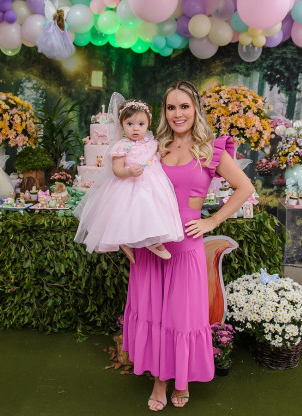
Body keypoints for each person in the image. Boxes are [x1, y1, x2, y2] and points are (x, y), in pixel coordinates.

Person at [122, 81, 255, 411]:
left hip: (186, 248)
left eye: (184, 106)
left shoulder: (210, 150)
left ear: (196, 109)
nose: (177, 113)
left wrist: (213, 221)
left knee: (181, 318)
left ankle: (181, 379)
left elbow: (245, 187)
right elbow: (130, 190)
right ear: (164, 112)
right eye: (171, 107)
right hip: (151, 246)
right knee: (153, 314)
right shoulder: (154, 147)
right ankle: (159, 381)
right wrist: (124, 234)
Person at [74, 99, 184, 260]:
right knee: (135, 209)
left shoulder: (150, 142)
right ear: (122, 124)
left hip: (153, 182)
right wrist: (129, 172)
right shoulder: (122, 146)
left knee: (155, 209)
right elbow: (117, 169)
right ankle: (138, 241)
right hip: (130, 183)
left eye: (141, 124)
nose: (135, 128)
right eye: (130, 124)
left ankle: (152, 239)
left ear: (148, 124)